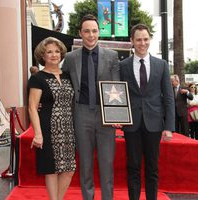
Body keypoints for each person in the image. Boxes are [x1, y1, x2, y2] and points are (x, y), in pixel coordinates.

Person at [62, 14, 119, 200]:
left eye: (94, 30)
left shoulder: (112, 56)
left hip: (105, 115)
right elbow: (61, 84)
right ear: (80, 33)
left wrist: (117, 115)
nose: (91, 35)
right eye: (86, 31)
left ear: (98, 32)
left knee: (106, 164)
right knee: (85, 165)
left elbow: (117, 86)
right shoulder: (70, 58)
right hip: (81, 114)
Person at [119, 24, 175, 200]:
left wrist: (169, 127)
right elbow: (117, 95)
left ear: (149, 40)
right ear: (132, 42)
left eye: (145, 39)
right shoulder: (123, 66)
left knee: (152, 168)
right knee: (133, 167)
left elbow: (168, 97)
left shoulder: (162, 65)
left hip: (154, 124)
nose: (142, 43)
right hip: (131, 124)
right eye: (138, 40)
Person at [28, 37, 76, 200]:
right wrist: (38, 133)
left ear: (62, 53)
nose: (54, 55)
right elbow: (32, 107)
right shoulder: (38, 78)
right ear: (43, 55)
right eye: (49, 52)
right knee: (52, 169)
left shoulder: (68, 76)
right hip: (48, 128)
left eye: (57, 51)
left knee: (69, 169)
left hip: (68, 129)